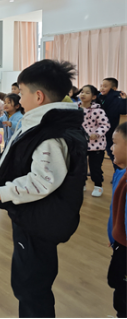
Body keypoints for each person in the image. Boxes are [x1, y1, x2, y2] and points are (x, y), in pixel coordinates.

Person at [0, 60, 87, 318]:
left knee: (31, 287)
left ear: (38, 96)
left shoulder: (51, 133)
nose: (19, 99)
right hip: (36, 216)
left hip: (39, 220)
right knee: (31, 281)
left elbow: (42, 181)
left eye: (21, 93)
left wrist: (1, 192)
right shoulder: (46, 123)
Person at [108, 122, 127, 319]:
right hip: (119, 244)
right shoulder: (120, 173)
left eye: (114, 142)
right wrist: (113, 236)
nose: (111, 148)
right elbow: (115, 212)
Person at [78, 85, 110, 197]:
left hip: (96, 145)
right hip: (80, 143)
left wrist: (96, 134)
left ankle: (98, 186)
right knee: (80, 166)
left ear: (94, 97)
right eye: (82, 92)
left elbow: (105, 125)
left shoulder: (98, 111)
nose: (83, 94)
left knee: (95, 167)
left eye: (87, 93)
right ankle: (82, 184)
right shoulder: (75, 109)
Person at [99, 77, 127, 171]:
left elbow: (123, 110)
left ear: (114, 88)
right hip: (99, 130)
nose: (102, 88)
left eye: (105, 86)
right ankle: (97, 172)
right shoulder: (100, 97)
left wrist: (124, 100)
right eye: (101, 86)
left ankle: (120, 172)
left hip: (110, 131)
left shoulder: (117, 98)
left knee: (112, 152)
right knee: (97, 154)